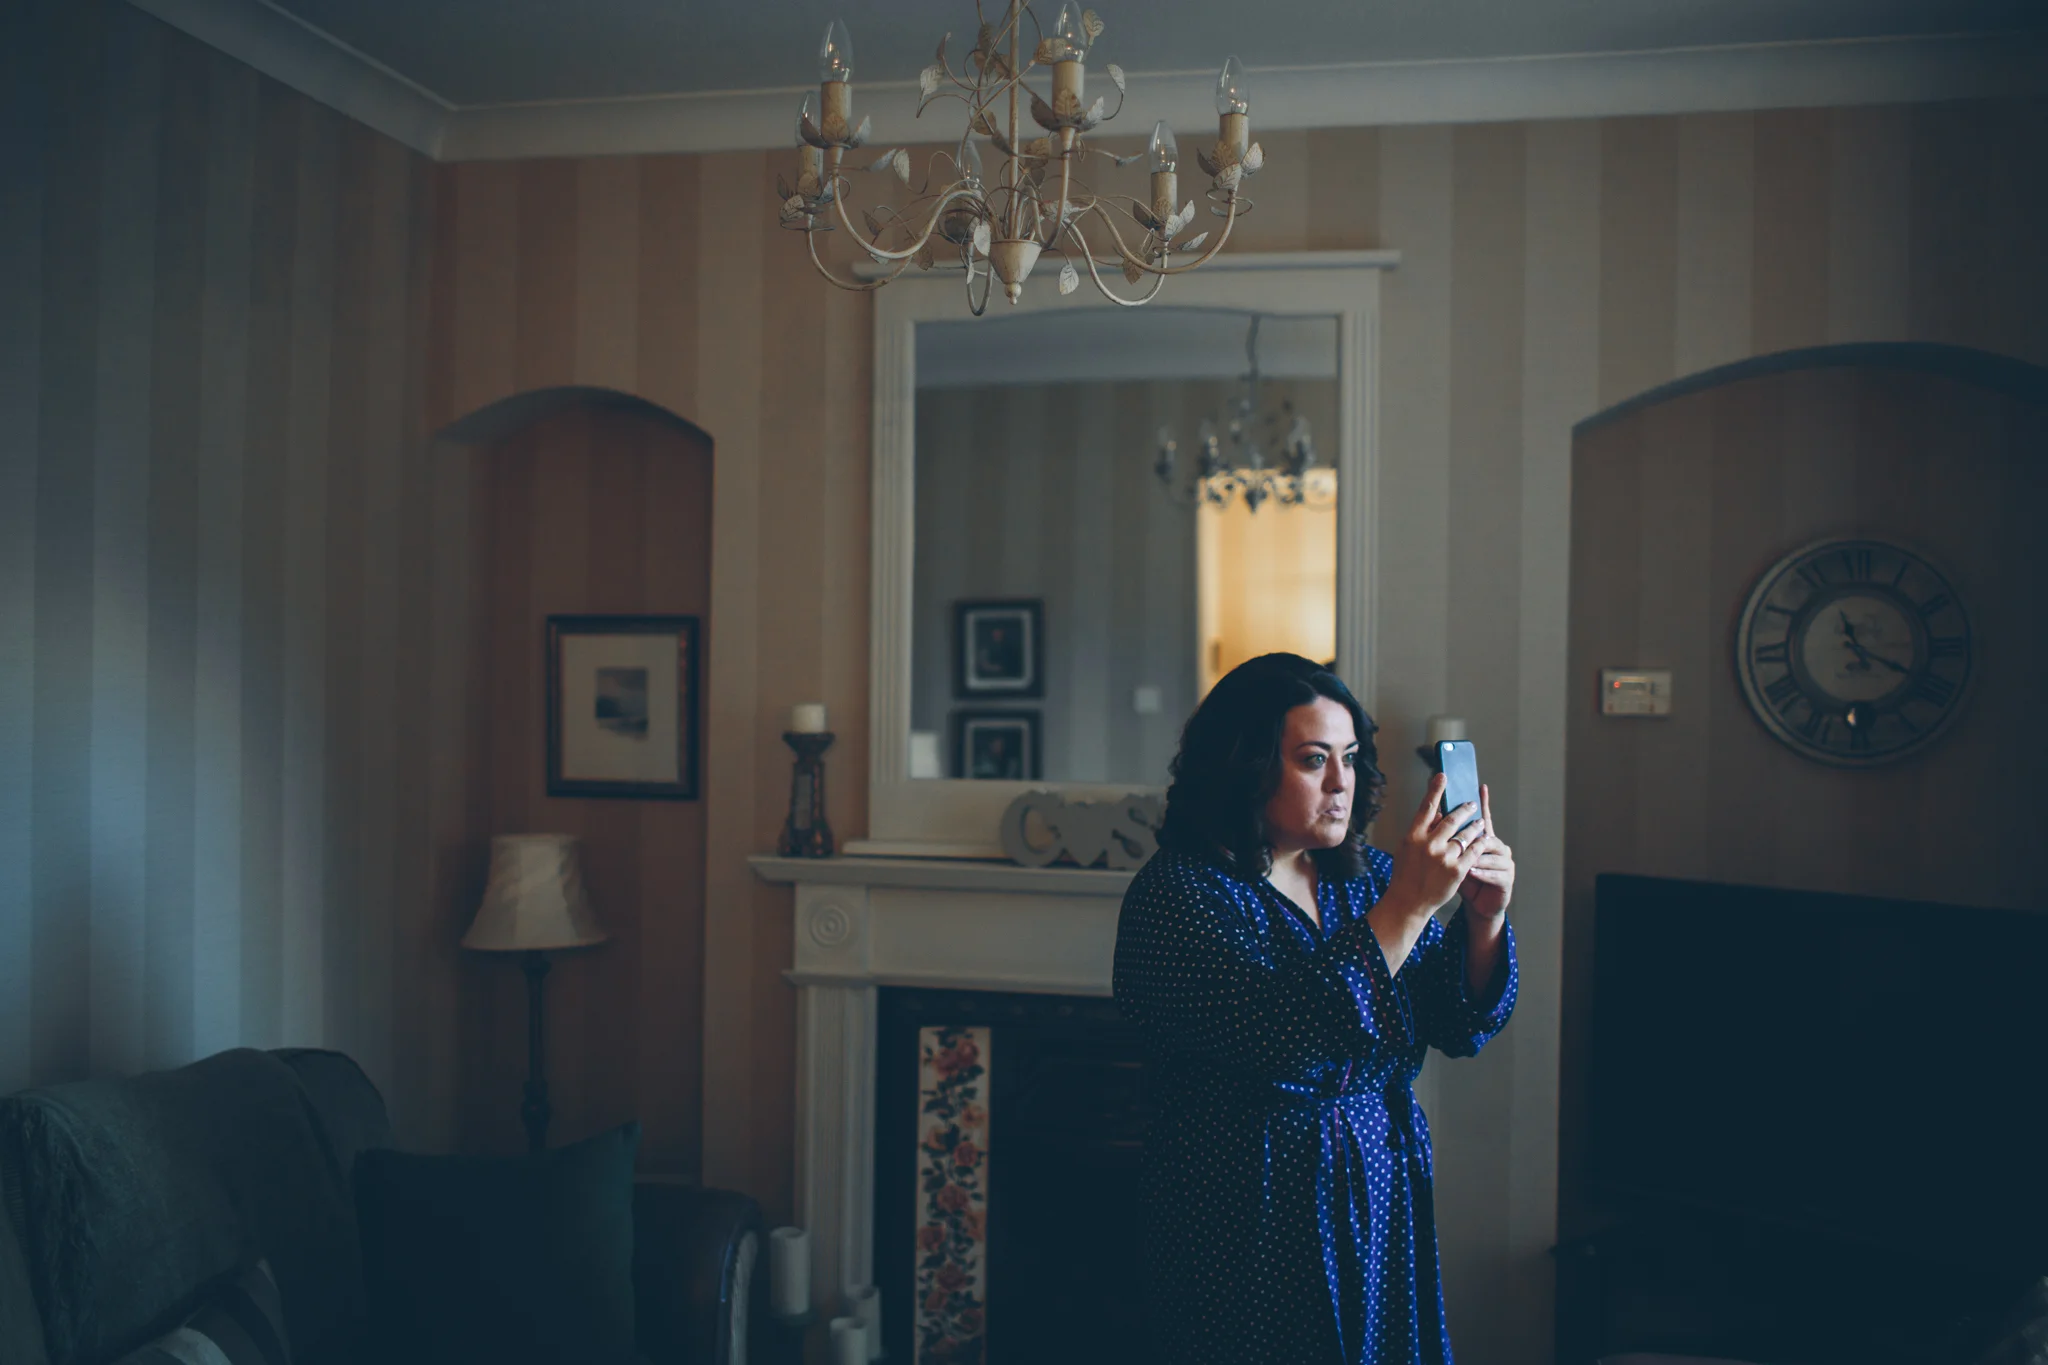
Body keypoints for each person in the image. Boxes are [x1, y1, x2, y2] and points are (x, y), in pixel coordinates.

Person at [1113, 652, 1517, 1364]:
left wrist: (1481, 921)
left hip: (1376, 1182)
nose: (1341, 783)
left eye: (1351, 758)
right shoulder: (1179, 897)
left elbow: (1458, 1024)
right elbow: (1283, 1035)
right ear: (1246, 764)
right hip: (1246, 1202)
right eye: (1312, 760)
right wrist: (1411, 908)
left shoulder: (1365, 880)